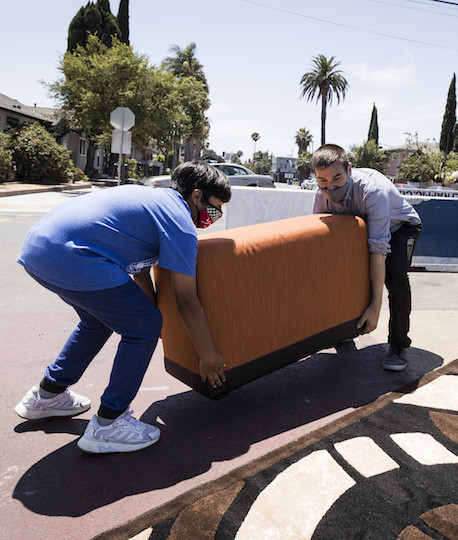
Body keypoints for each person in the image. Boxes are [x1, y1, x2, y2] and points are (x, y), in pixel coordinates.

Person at [14, 161, 231, 454]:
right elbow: (186, 300)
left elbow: (139, 273)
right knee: (142, 325)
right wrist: (208, 356)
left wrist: (152, 324)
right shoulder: (179, 221)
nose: (214, 218)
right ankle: (109, 423)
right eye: (214, 209)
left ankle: (47, 394)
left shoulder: (152, 199)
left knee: (97, 321)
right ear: (196, 197)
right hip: (73, 256)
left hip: (39, 249)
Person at [311, 144, 422, 372]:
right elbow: (320, 242)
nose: (330, 187)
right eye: (323, 181)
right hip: (366, 229)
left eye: (337, 179)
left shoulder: (372, 191)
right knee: (347, 273)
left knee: (395, 277)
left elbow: (378, 251)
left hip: (401, 227)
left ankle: (399, 345)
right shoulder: (320, 195)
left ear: (349, 170)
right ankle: (345, 331)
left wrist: (374, 306)